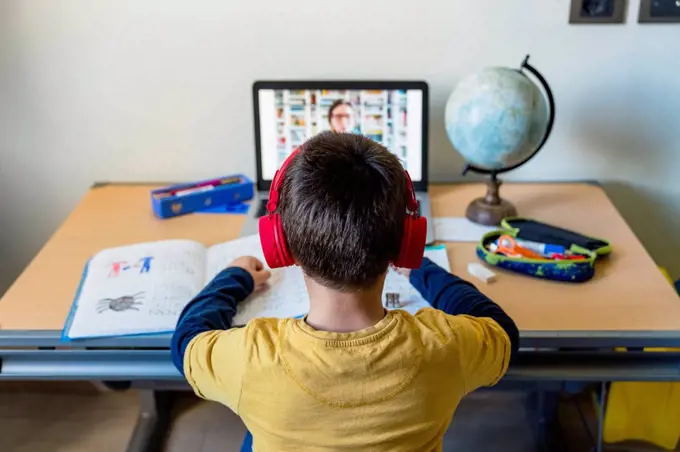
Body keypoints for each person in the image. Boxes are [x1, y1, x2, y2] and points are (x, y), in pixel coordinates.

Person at [170, 132, 519, 451]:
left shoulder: (252, 360)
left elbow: (187, 342)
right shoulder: (446, 346)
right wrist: (422, 268)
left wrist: (235, 276)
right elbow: (502, 331)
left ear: (281, 245)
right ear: (406, 243)